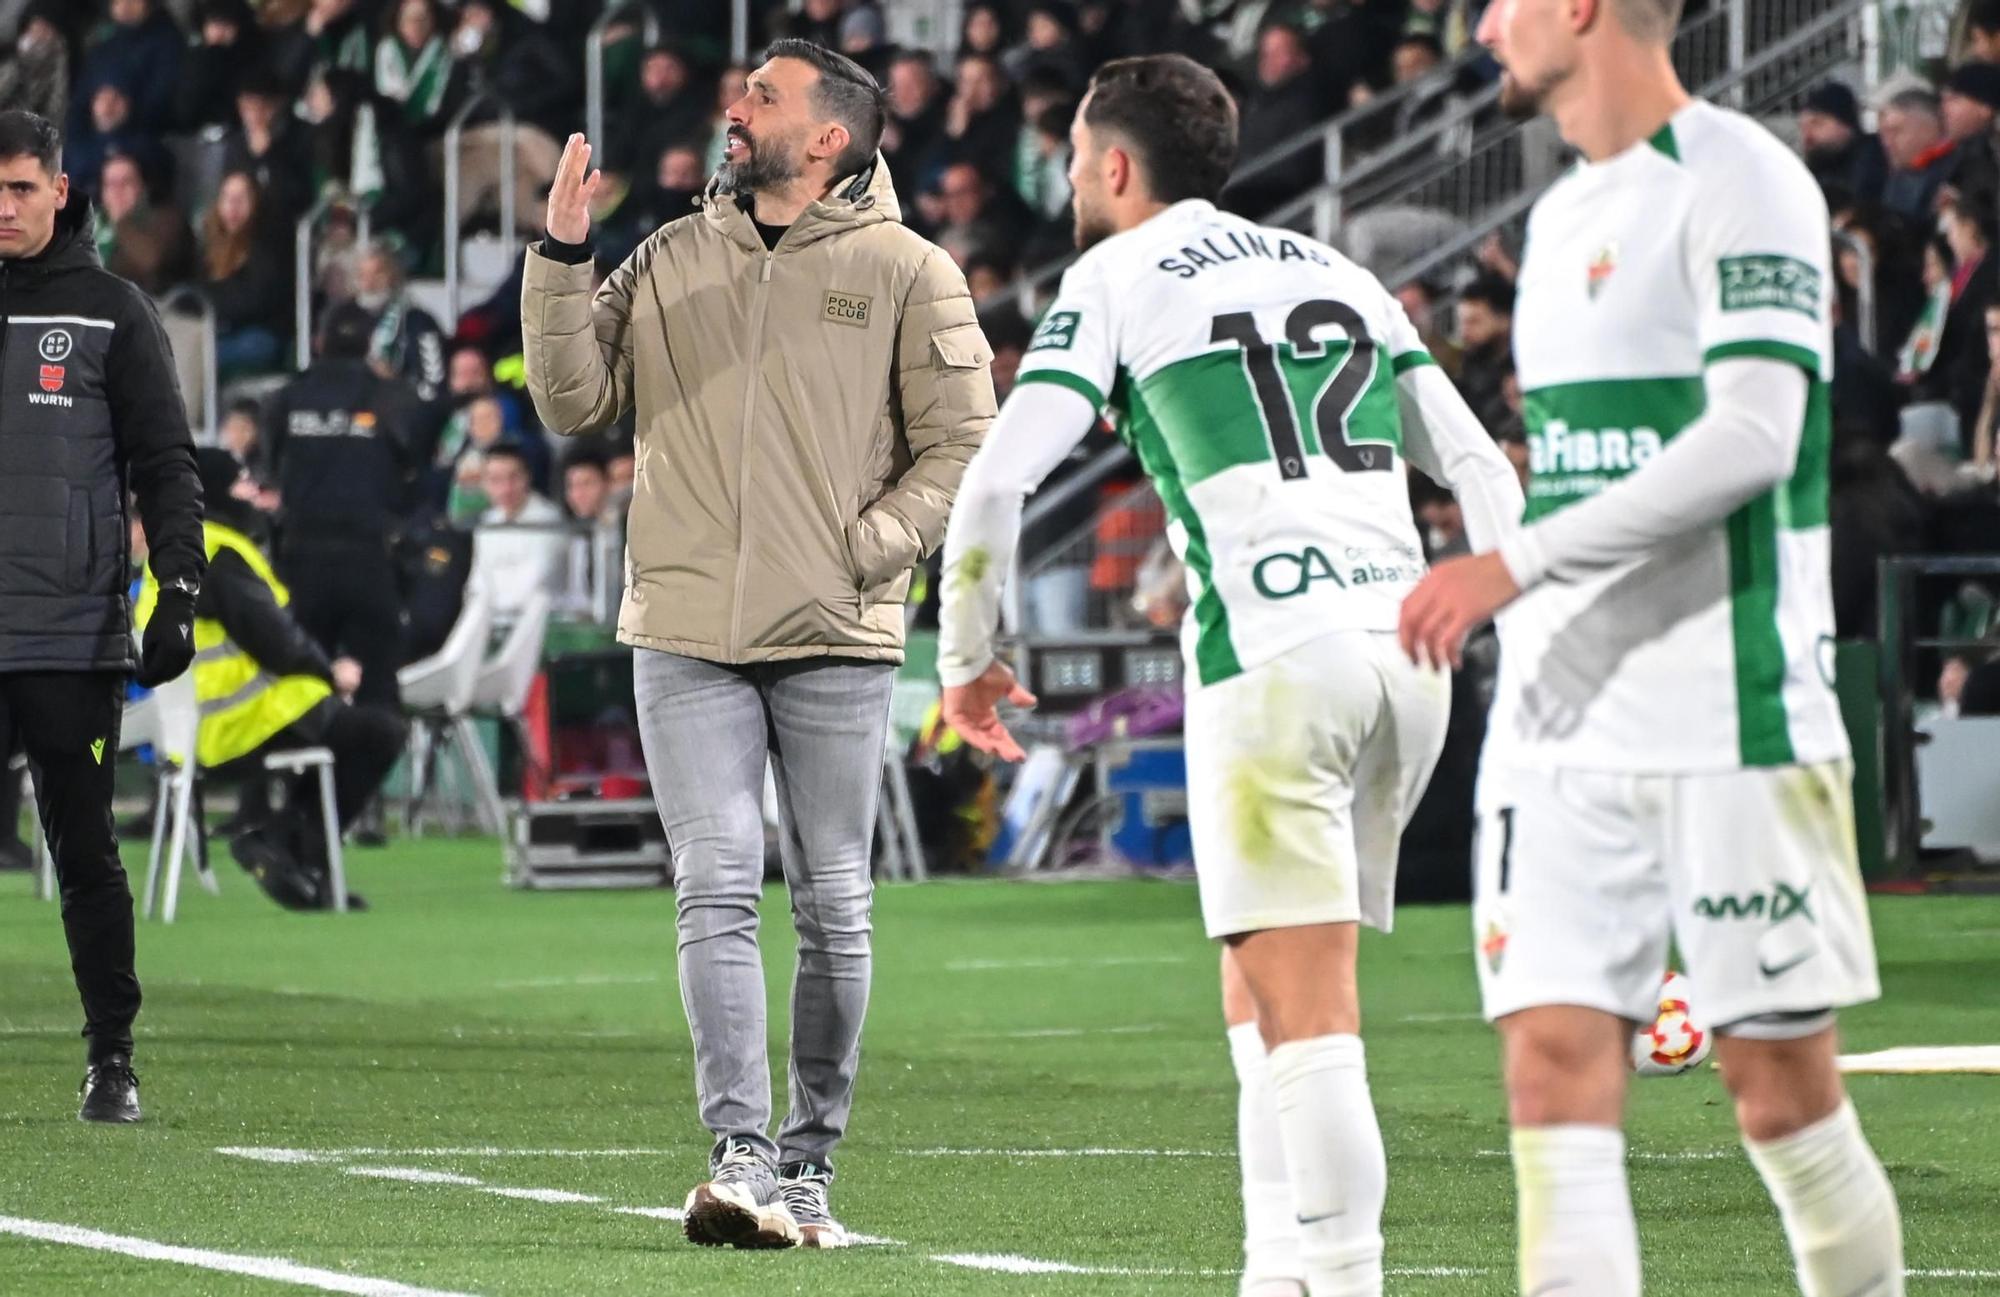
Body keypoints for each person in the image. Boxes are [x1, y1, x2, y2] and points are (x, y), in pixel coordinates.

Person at [935, 56, 1522, 1297]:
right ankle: (1277, 1269)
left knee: (1309, 1013)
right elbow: (1474, 463)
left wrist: (965, 658)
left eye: (1073, 155)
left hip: (1269, 660)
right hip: (1405, 655)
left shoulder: (1114, 273)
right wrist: (1499, 607)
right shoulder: (1335, 269)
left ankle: (1344, 1276)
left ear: (1110, 163)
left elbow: (994, 479)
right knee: (1262, 970)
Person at [1398, 0, 1906, 1292]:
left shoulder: (1745, 180)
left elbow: (1754, 440)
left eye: (1506, 2)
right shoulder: (1560, 218)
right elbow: (1594, 477)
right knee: (1552, 1073)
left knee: (1780, 1097)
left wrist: (1515, 559)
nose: (1487, 27)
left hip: (1731, 711)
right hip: (1563, 728)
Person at [522, 39, 991, 1250]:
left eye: (762, 99)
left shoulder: (909, 270)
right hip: (682, 625)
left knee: (833, 899)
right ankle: (738, 1153)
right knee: (715, 879)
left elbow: (965, 451)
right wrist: (563, 255)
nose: (735, 110)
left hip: (837, 628)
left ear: (829, 136)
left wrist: (867, 547)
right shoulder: (668, 253)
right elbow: (570, 401)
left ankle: (810, 1164)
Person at [0, 109, 205, 1123]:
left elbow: (167, 464)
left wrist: (179, 587)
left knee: (83, 852)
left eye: (20, 189)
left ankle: (110, 1059)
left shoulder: (111, 311)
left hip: (66, 634)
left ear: (61, 189)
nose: (4, 207)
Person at [134, 449, 405, 912]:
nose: (253, 494)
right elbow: (275, 641)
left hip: (187, 733)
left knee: (347, 736)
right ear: (215, 491)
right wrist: (330, 672)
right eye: (242, 484)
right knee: (381, 733)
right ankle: (286, 842)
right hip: (240, 722)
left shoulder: (172, 551)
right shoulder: (218, 551)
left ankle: (293, 854)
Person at [262, 301, 425, 712]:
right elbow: (413, 469)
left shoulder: (285, 398)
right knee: (378, 679)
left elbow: (269, 471)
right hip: (367, 557)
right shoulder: (392, 398)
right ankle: (371, 765)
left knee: (301, 678)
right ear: (370, 344)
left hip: (302, 557)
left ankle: (307, 771)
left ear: (318, 341)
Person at [467, 443, 567, 624]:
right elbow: (476, 584)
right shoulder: (486, 524)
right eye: (495, 480)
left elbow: (536, 584)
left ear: (527, 477)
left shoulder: (549, 520)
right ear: (484, 484)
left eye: (513, 477)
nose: (506, 488)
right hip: (492, 623)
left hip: (546, 625)